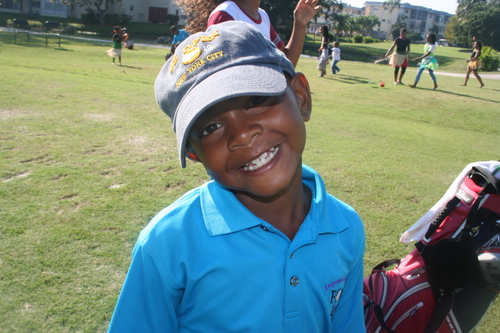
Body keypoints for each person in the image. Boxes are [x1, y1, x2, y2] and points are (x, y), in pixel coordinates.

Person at [108, 21, 366, 332]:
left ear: (301, 97)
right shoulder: (168, 243)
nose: (242, 134)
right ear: (194, 154)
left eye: (256, 100)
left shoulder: (345, 227)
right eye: (210, 128)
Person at [176, 0, 321, 67]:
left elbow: (287, 63)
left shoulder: (262, 16)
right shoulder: (226, 13)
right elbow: (218, 70)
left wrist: (300, 25)